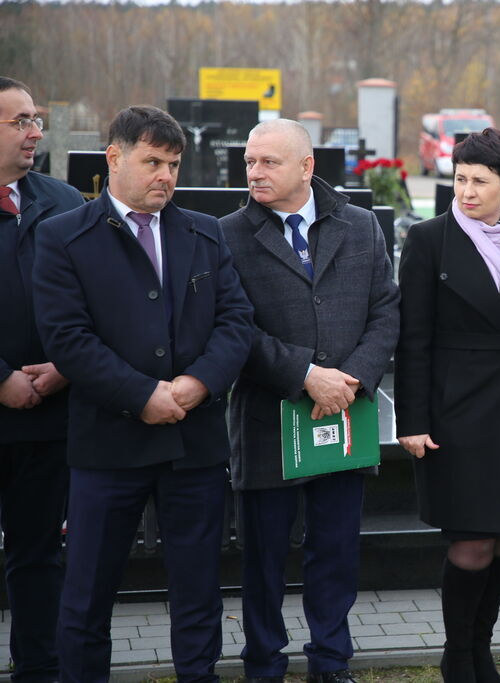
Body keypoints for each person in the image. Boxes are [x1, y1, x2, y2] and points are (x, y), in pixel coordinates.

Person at [32, 105, 253, 682]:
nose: (165, 176)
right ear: (115, 157)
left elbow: (236, 321)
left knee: (198, 591)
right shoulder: (64, 237)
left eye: (173, 165)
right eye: (152, 162)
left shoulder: (203, 232)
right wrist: (141, 394)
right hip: (108, 447)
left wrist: (198, 383)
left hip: (193, 446)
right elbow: (68, 338)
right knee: (87, 594)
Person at [220, 119, 399, 683]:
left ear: (306, 167)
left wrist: (350, 380)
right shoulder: (227, 235)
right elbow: (234, 328)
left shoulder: (360, 226)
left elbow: (385, 310)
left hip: (344, 416)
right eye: (249, 162)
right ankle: (263, 662)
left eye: (268, 162)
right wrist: (305, 375)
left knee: (336, 550)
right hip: (267, 422)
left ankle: (331, 660)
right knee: (264, 557)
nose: (254, 173)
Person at [394, 127, 500, 683]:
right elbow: (412, 339)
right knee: (473, 541)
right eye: (460, 179)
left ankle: (481, 652)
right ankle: (457, 658)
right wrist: (412, 421)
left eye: (480, 181)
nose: (466, 191)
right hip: (457, 413)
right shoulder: (428, 239)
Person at [0, 76, 83, 681]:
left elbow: (103, 298)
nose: (35, 132)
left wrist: (65, 367)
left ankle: (38, 670)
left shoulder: (64, 201)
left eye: (37, 120)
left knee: (38, 555)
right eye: (20, 121)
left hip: (49, 419)